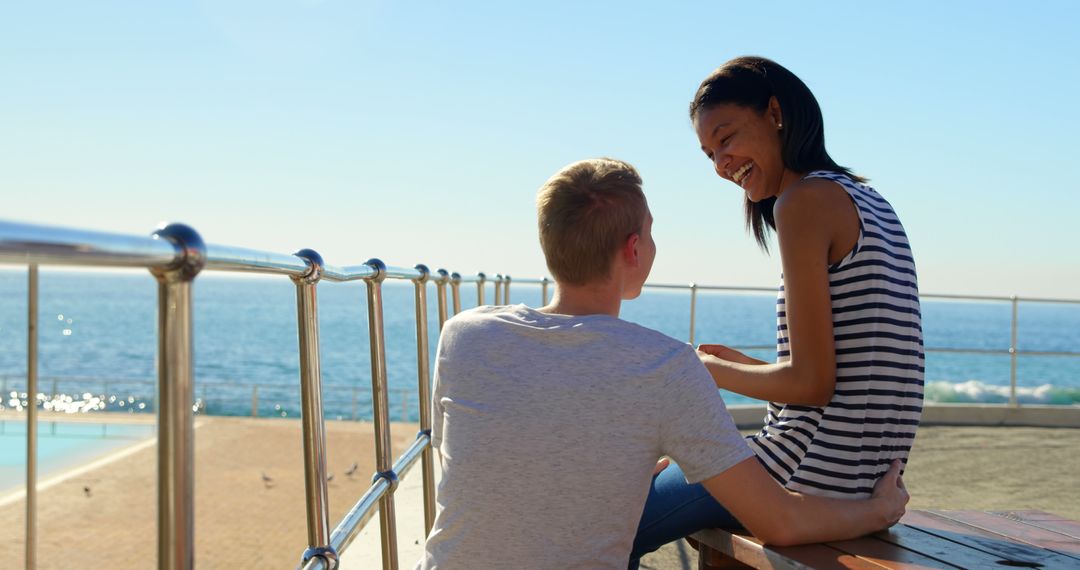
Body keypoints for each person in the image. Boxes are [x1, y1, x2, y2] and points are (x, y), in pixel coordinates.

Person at [418, 157, 908, 570]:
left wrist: (608, 461)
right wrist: (878, 510)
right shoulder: (665, 366)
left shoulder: (464, 334)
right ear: (634, 249)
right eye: (650, 234)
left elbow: (476, 456)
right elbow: (778, 520)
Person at [630, 56, 925, 564]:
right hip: (858, 474)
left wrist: (708, 371)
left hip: (806, 470)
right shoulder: (865, 198)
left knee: (610, 518)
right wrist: (748, 367)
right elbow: (852, 368)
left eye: (726, 138)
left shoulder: (803, 202)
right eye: (709, 154)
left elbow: (812, 384)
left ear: (775, 113)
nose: (722, 162)